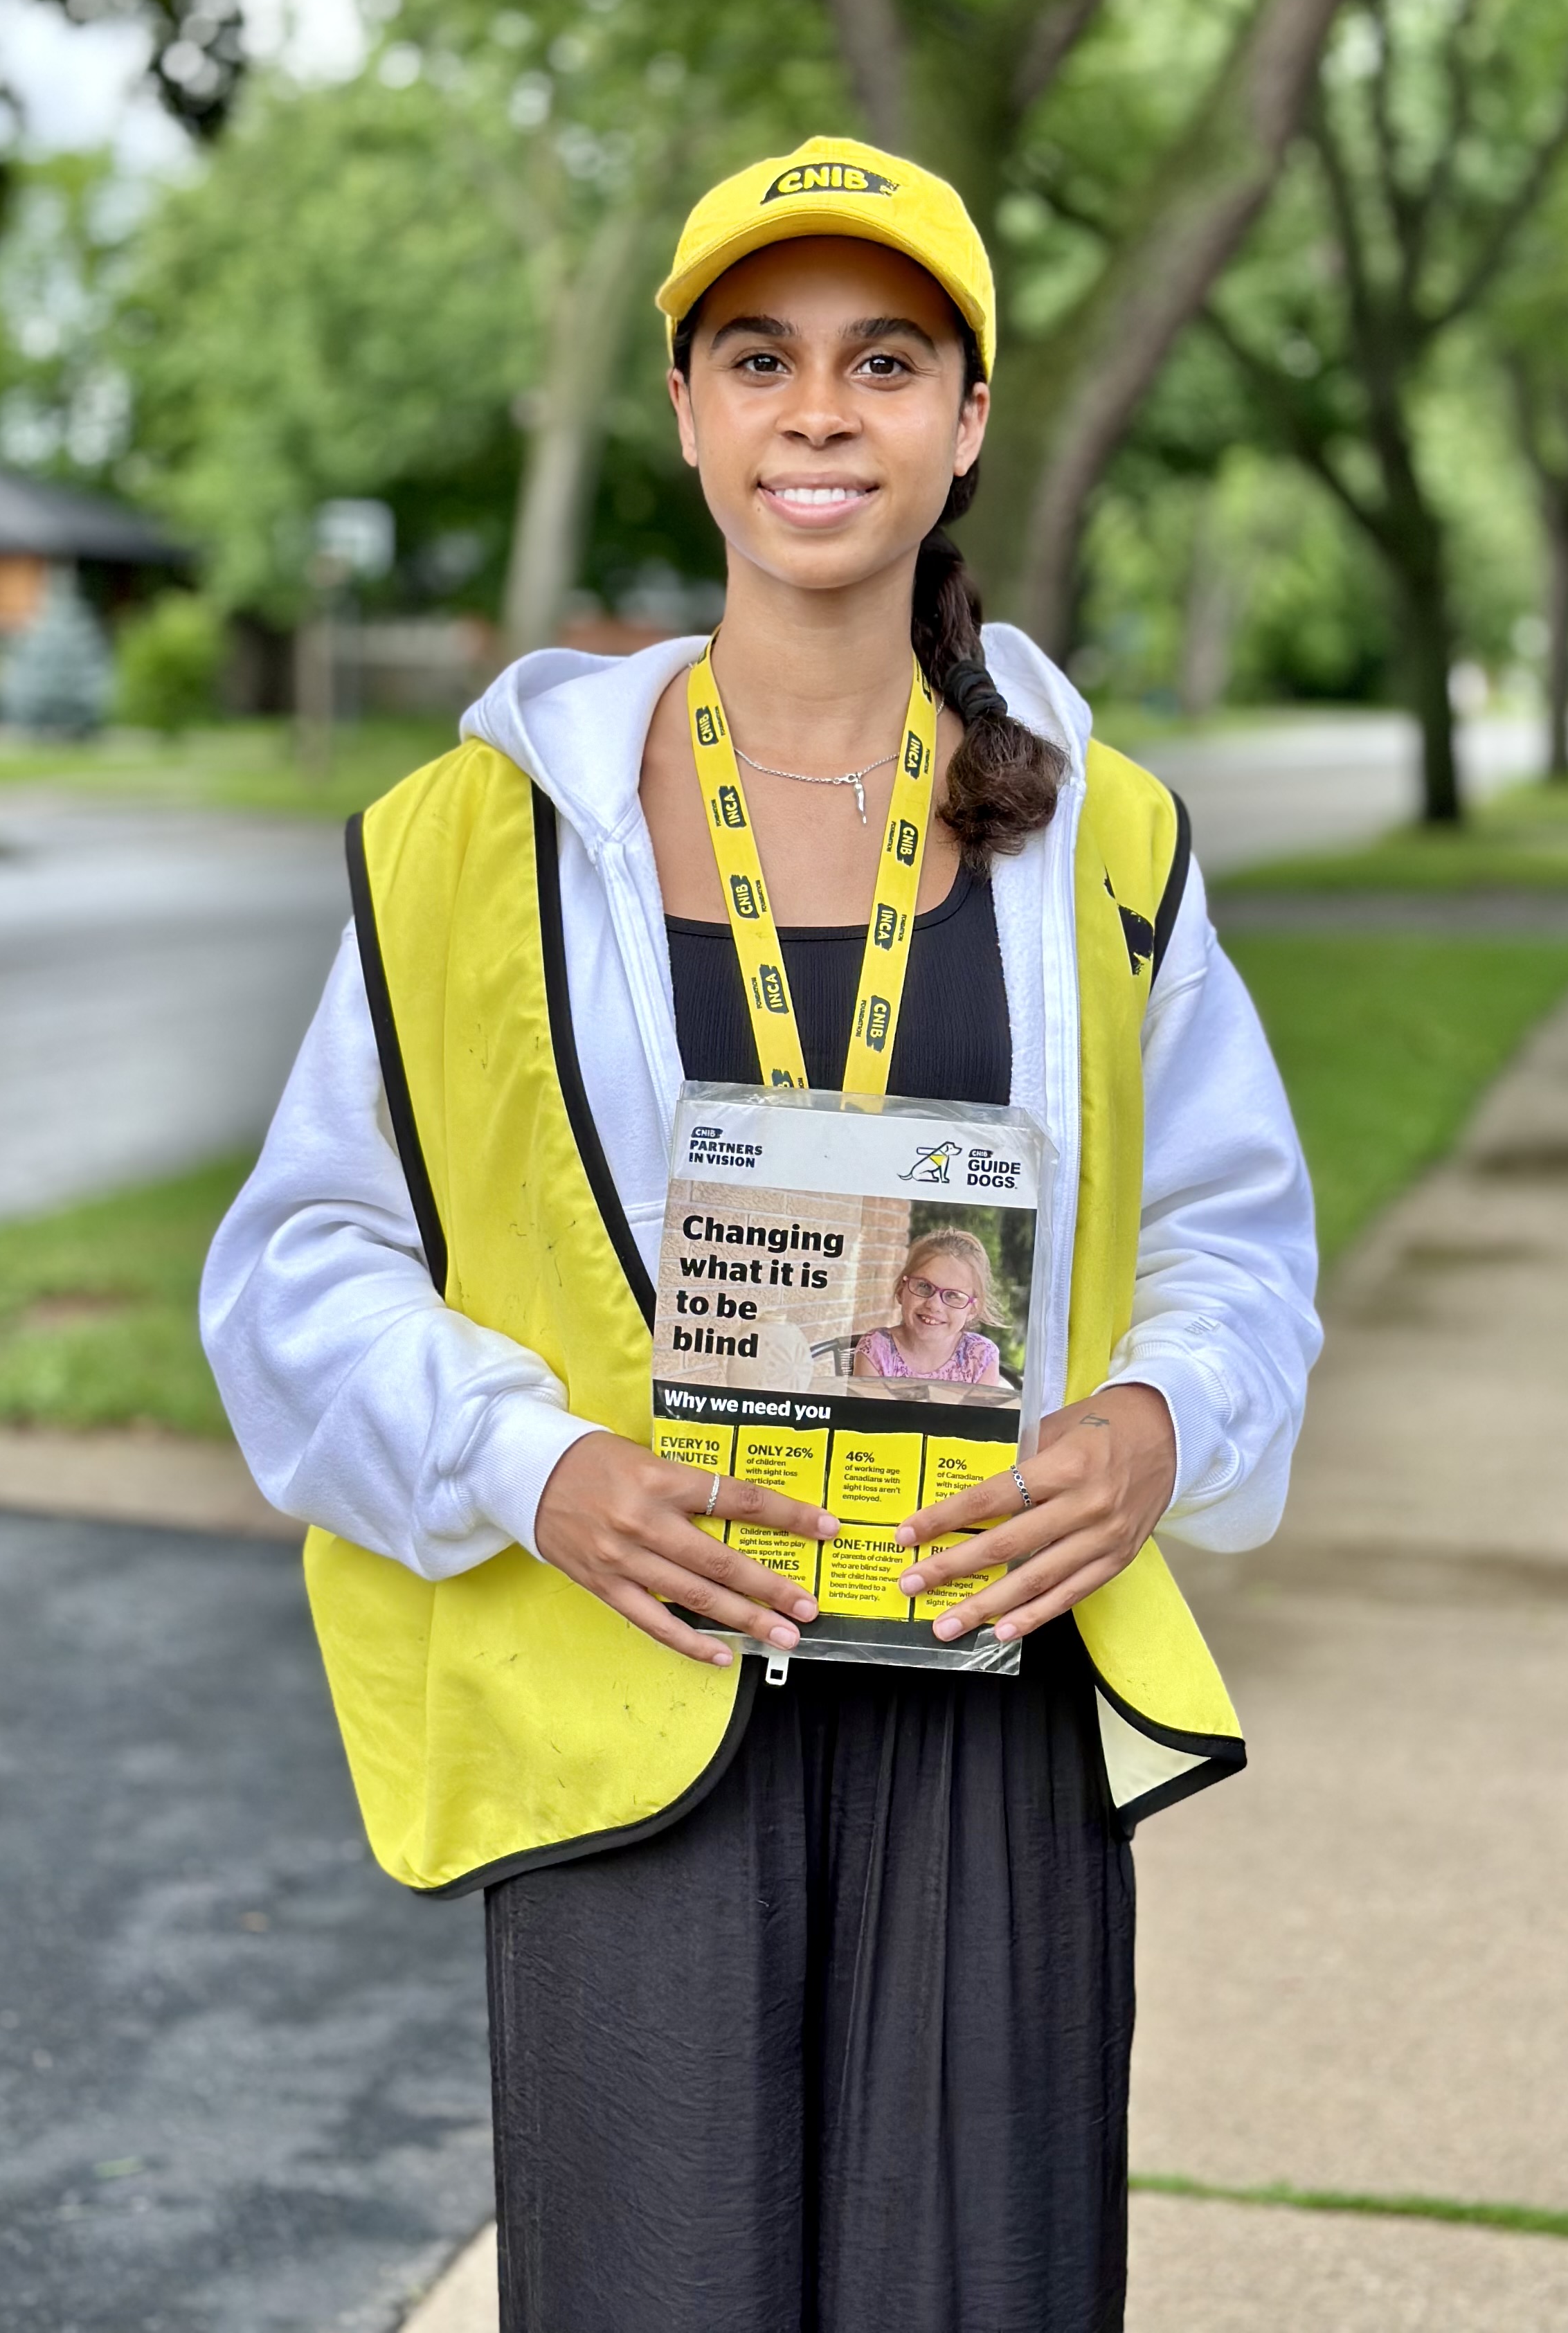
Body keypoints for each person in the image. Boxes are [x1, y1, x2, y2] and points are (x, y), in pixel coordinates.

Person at [202, 134, 1320, 2333]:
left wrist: (1159, 1427)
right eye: (762, 356)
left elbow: (1237, 1240)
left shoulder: (1106, 838)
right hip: (646, 1694)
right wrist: (547, 1472)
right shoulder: (473, 839)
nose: (822, 409)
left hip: (982, 1706)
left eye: (886, 358)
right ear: (692, 412)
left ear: (969, 421)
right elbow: (301, 1269)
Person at [855, 1228, 1007, 1385]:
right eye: (924, 1286)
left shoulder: (981, 1357)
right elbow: (867, 1410)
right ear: (902, 1290)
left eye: (953, 1295)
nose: (934, 1305)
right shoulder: (876, 1349)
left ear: (973, 1309)